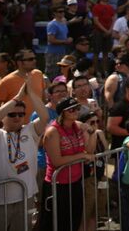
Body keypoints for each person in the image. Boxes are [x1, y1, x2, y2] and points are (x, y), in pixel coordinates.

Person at [0, 83, 48, 231]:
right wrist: (17, 98)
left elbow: (44, 116)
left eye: (21, 114)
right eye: (12, 114)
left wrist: (30, 93)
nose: (17, 117)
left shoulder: (29, 131)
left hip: (26, 196)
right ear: (3, 117)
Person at [40, 96, 98, 231]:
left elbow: (89, 150)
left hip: (76, 182)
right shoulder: (53, 131)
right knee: (56, 223)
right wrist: (82, 155)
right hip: (58, 184)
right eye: (70, 109)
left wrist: (92, 132)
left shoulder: (77, 126)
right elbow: (57, 161)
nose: (75, 111)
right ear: (62, 113)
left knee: (74, 220)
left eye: (77, 108)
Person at [0, 50, 45, 118]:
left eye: (34, 58)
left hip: (38, 124)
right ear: (19, 62)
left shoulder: (38, 74)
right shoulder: (6, 81)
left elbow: (43, 99)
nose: (34, 61)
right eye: (30, 59)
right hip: (14, 126)